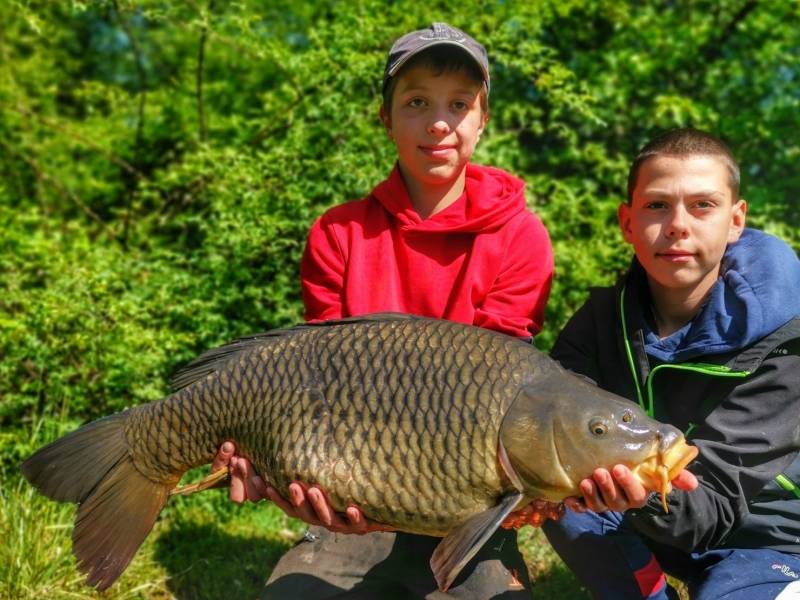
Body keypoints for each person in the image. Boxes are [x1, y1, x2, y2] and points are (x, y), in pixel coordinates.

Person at [213, 23, 558, 598]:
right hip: (354, 492)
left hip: (470, 507)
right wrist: (279, 461)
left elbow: (501, 391)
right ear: (386, 118)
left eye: (459, 104)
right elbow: (315, 381)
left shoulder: (522, 236)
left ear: (482, 120)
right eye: (416, 102)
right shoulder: (338, 231)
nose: (438, 122)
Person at [542, 128, 800, 599]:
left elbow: (716, 507)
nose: (678, 224)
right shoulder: (601, 320)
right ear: (627, 223)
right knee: (565, 496)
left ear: (736, 220)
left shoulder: (788, 336)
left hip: (766, 538)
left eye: (703, 205)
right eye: (657, 205)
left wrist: (642, 495)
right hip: (644, 516)